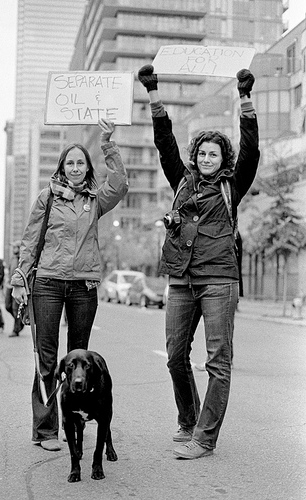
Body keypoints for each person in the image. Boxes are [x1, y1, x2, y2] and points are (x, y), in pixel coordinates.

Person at [138, 65, 259, 459]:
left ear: (223, 159)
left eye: (214, 153)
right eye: (202, 153)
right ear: (195, 157)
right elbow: (164, 143)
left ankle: (204, 439)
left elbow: (252, 148)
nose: (207, 158)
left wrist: (245, 99)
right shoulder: (182, 180)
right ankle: (188, 420)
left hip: (220, 280)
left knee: (218, 362)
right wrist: (153, 92)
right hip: (181, 278)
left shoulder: (232, 185)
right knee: (175, 356)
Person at [11, 118, 128, 452]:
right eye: (70, 163)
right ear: (62, 168)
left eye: (81, 163)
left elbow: (119, 185)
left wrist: (107, 143)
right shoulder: (47, 199)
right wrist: (21, 278)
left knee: (80, 359)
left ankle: (75, 420)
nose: (76, 168)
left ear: (86, 168)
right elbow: (31, 241)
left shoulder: (95, 200)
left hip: (83, 287)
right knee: (47, 359)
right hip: (47, 282)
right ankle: (46, 430)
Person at [5, 240, 24, 337]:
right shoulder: (12, 258)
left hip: (17, 285)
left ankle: (16, 330)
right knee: (7, 306)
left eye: (15, 247)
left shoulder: (22, 259)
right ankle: (20, 322)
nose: (13, 249)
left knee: (15, 308)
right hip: (9, 285)